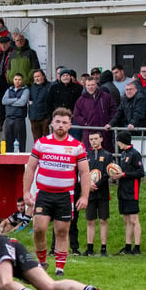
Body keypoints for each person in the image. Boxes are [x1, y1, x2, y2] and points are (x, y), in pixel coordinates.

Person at [23, 107, 91, 276]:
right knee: (39, 228)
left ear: (69, 125)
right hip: (44, 194)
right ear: (52, 123)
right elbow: (30, 169)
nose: (61, 125)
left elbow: (84, 173)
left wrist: (85, 196)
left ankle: (60, 268)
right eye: (58, 122)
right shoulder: (41, 143)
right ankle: (42, 262)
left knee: (62, 231)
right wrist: (26, 192)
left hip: (65, 196)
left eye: (65, 122)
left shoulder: (77, 146)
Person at [109, 131, 144, 255]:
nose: (117, 143)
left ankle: (137, 247)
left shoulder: (135, 154)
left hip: (131, 190)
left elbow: (141, 172)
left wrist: (124, 174)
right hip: (122, 190)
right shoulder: (123, 154)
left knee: (134, 219)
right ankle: (128, 246)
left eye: (118, 140)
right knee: (126, 219)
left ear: (123, 141)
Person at [83, 131, 113, 257]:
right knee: (90, 221)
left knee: (103, 220)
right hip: (89, 193)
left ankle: (103, 248)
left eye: (95, 139)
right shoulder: (86, 155)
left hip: (103, 193)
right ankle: (89, 248)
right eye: (91, 139)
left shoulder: (107, 155)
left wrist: (97, 184)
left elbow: (107, 173)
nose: (93, 141)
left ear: (101, 139)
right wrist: (88, 185)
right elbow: (83, 173)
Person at [72, 77, 116, 150]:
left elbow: (113, 110)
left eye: (92, 85)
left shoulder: (106, 96)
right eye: (88, 85)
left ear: (96, 85)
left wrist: (110, 122)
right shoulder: (81, 100)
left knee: (106, 153)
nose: (90, 87)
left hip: (104, 131)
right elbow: (76, 115)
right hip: (89, 132)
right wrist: (85, 123)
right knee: (90, 154)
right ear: (85, 86)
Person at [2, 73, 29, 153]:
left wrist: (10, 101)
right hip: (8, 118)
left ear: (22, 81)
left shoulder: (25, 90)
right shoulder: (9, 90)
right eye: (15, 79)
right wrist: (16, 99)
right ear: (13, 80)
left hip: (19, 118)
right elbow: (4, 101)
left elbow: (22, 103)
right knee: (8, 140)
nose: (17, 81)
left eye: (19, 79)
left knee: (20, 140)